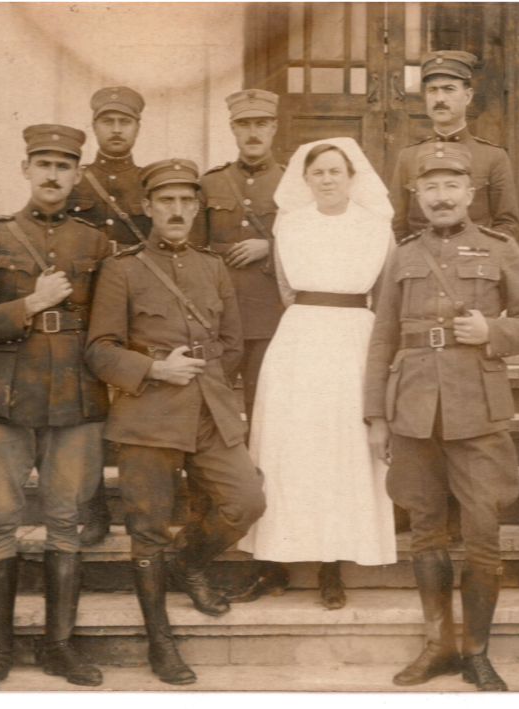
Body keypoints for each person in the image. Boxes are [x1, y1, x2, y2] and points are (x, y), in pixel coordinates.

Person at [365, 142, 519, 691]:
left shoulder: (500, 247)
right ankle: (438, 646)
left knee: (482, 531)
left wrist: (493, 332)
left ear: (470, 194)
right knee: (425, 531)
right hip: (414, 410)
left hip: (478, 409)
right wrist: (376, 416)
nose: (441, 196)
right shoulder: (401, 255)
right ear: (416, 195)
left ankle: (477, 652)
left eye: (452, 186)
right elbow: (382, 338)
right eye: (431, 187)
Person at [85, 159, 266, 685]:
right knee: (147, 531)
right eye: (167, 201)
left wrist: (207, 381)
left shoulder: (213, 267)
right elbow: (99, 351)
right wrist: (156, 369)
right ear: (148, 207)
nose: (178, 210)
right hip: (148, 416)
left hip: (209, 412)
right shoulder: (123, 269)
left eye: (187, 201)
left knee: (247, 500)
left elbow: (232, 343)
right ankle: (160, 641)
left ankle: (187, 560)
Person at [0, 124, 110, 690]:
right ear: (25, 169)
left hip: (73, 398)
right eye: (43, 163)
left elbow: (108, 326)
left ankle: (58, 647)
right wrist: (31, 303)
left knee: (65, 521)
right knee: (0, 523)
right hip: (2, 400)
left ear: (77, 174)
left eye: (64, 166)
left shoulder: (95, 242)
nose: (52, 174)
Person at [236, 138, 398, 609]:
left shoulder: (375, 227)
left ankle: (332, 566)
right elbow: (287, 289)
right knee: (289, 450)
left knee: (340, 451)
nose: (327, 180)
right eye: (318, 172)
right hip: (300, 341)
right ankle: (273, 563)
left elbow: (385, 293)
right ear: (305, 179)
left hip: (354, 341)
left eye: (335, 171)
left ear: (351, 177)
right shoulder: (290, 225)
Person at [193, 88, 290, 602]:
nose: (253, 133)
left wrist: (270, 248)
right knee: (205, 428)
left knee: (268, 436)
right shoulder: (211, 184)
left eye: (261, 123)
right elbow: (193, 252)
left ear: (274, 127)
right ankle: (204, 532)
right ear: (233, 129)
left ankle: (269, 554)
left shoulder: (294, 182)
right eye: (244, 124)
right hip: (216, 327)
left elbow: (311, 242)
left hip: (271, 327)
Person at [66, 85, 151, 547]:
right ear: (95, 125)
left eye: (125, 122)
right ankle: (93, 511)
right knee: (88, 415)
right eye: (108, 121)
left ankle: (144, 512)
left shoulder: (151, 182)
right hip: (86, 309)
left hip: (138, 312)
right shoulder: (76, 182)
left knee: (140, 412)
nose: (117, 130)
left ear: (137, 127)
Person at [389, 50, 519, 241]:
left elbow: (508, 225)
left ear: (468, 96)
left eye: (449, 89)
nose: (439, 98)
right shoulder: (408, 157)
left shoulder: (494, 157)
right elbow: (396, 227)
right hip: (422, 257)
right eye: (432, 90)